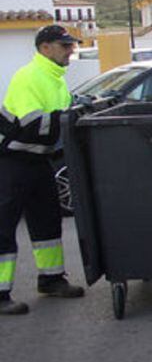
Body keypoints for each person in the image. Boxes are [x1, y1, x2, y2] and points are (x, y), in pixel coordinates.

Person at [0, 25, 85, 315]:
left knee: (47, 221)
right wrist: (68, 118)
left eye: (71, 45)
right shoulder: (29, 77)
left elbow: (60, 121)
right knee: (3, 226)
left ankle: (51, 279)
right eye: (65, 46)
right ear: (45, 48)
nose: (70, 51)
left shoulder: (55, 79)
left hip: (37, 162)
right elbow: (33, 125)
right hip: (10, 162)